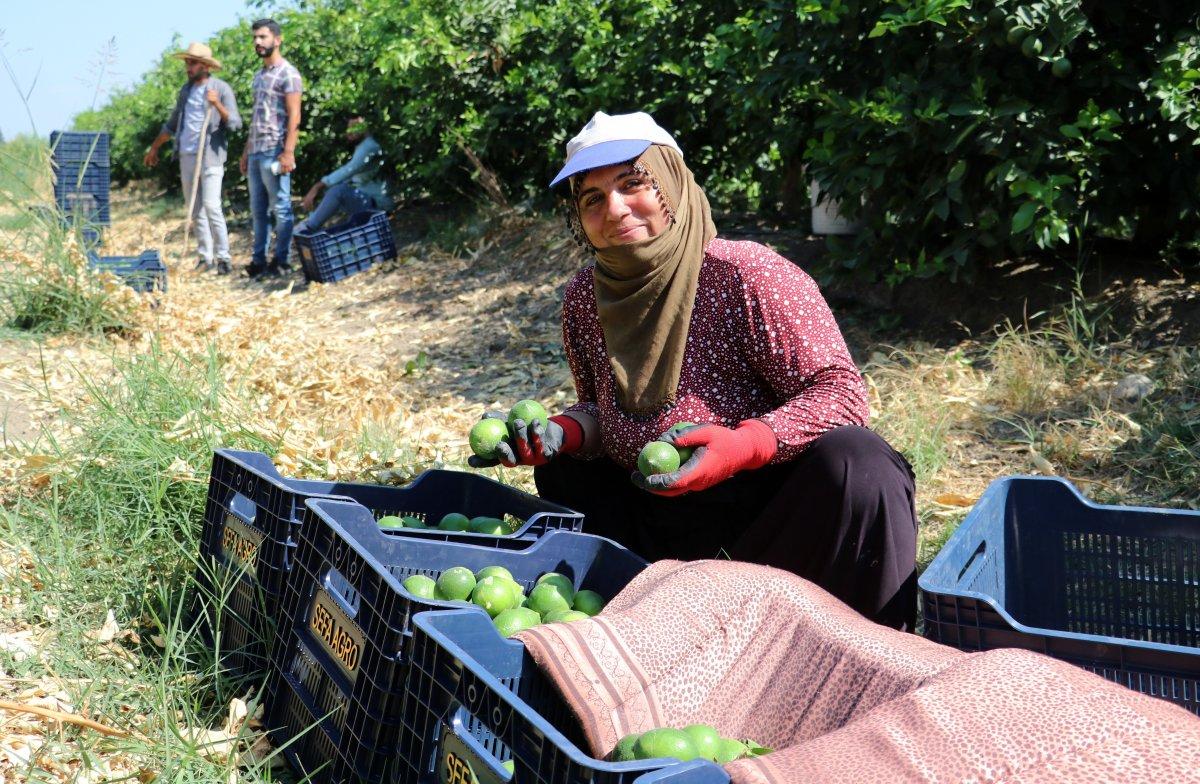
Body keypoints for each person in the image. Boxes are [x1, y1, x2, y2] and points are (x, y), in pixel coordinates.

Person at [468, 111, 919, 630]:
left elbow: (840, 393)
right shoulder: (584, 300)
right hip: (658, 506)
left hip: (763, 510)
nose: (614, 208)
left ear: (672, 183)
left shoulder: (745, 274)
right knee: (563, 467)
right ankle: (649, 612)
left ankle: (874, 641)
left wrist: (742, 445)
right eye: (592, 198)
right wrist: (560, 433)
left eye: (633, 183)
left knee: (860, 462)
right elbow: (604, 409)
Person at [143, 42, 241, 275]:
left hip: (211, 157)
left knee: (212, 205)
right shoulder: (185, 91)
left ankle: (223, 258)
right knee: (195, 210)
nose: (188, 66)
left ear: (205, 66)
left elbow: (236, 125)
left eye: (193, 62)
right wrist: (154, 148)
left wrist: (216, 104)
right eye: (187, 62)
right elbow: (173, 123)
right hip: (186, 156)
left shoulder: (221, 89)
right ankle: (204, 257)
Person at [239, 18, 302, 278]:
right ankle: (258, 262)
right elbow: (256, 118)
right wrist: (245, 152)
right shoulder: (259, 76)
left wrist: (288, 151)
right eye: (255, 37)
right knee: (257, 211)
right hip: (256, 150)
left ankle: (281, 259)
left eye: (263, 37)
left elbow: (294, 115)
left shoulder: (288, 73)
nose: (257, 42)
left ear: (277, 39)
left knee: (281, 207)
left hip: (275, 149)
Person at [295, 116, 394, 235]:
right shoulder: (364, 146)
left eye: (355, 127)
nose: (350, 131)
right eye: (349, 128)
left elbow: (349, 170)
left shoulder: (369, 146)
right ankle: (310, 224)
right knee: (334, 191)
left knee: (338, 191)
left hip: (377, 205)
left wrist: (318, 186)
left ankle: (308, 228)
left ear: (365, 128)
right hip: (368, 200)